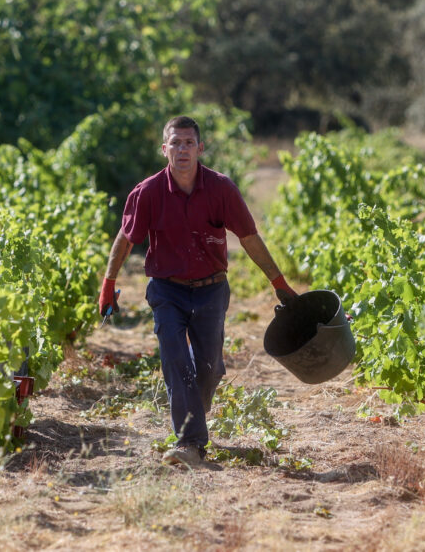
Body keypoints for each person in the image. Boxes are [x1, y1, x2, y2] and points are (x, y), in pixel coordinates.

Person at [98, 115, 297, 468]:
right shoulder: (147, 193)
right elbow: (126, 239)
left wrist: (278, 283)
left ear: (200, 148)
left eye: (189, 143)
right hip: (167, 291)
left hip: (211, 290)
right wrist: (109, 283)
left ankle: (195, 408)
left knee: (208, 368)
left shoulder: (221, 190)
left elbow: (249, 238)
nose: (182, 149)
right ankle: (190, 442)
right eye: (175, 143)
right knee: (175, 359)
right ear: (165, 150)